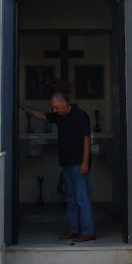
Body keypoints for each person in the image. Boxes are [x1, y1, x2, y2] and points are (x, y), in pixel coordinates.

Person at [19, 93, 95, 242]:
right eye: (53, 108)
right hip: (66, 164)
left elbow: (87, 139)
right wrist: (23, 107)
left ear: (64, 104)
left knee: (82, 198)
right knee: (71, 198)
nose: (54, 110)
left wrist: (85, 162)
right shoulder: (59, 117)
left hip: (79, 165)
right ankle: (74, 230)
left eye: (56, 107)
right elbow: (42, 115)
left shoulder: (80, 115)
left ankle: (88, 231)